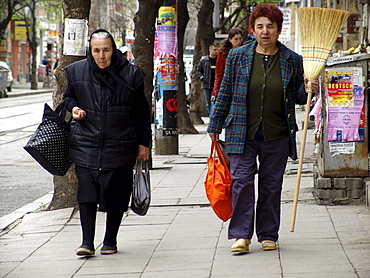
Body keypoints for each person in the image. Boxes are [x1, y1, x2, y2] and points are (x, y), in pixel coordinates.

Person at [207, 4, 318, 253]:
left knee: (271, 186)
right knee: (242, 182)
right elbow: (225, 92)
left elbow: (300, 97)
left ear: (279, 30)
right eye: (260, 27)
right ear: (252, 30)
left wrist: (311, 87)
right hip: (241, 133)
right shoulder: (238, 57)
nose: (265, 31)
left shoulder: (292, 60)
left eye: (270, 26)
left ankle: (268, 234)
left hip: (277, 134)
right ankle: (241, 235)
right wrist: (215, 124)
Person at [63, 29, 151, 256]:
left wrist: (144, 144)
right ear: (90, 51)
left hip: (120, 143)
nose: (101, 56)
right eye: (96, 51)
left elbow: (142, 112)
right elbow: (68, 97)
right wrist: (74, 108)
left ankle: (110, 240)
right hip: (86, 142)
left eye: (106, 50)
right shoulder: (76, 72)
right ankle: (86, 243)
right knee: (87, 193)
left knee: (117, 193)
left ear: (113, 50)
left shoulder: (131, 75)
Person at [211, 28, 243, 102]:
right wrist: (215, 91)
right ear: (230, 40)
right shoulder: (223, 53)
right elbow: (219, 73)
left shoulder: (245, 51)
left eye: (240, 39)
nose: (239, 42)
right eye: (236, 39)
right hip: (227, 85)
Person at [196, 43, 218, 116]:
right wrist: (202, 78)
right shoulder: (204, 60)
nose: (216, 51)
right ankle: (210, 117)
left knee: (214, 102)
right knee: (208, 104)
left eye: (217, 49)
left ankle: (213, 118)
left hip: (216, 86)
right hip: (207, 85)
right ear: (210, 50)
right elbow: (198, 71)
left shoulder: (219, 60)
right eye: (214, 50)